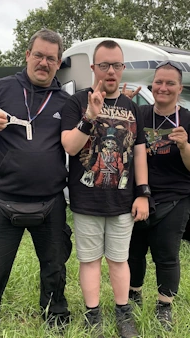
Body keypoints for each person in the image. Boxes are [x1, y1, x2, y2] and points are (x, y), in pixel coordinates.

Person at [0, 28, 73, 335]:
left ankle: (55, 317)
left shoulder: (65, 101)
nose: (43, 63)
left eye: (51, 58)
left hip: (50, 201)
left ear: (58, 62)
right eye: (38, 55)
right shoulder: (1, 88)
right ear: (27, 56)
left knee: (55, 267)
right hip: (5, 200)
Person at [61, 40, 150, 338]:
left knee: (118, 258)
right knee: (89, 260)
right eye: (104, 65)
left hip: (123, 200)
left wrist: (142, 193)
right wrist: (90, 115)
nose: (110, 71)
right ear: (93, 68)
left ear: (123, 68)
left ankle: (123, 313)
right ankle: (93, 315)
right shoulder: (74, 102)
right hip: (87, 198)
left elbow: (138, 154)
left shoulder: (131, 108)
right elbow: (70, 147)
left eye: (116, 65)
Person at [126, 60, 190, 332]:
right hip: (137, 195)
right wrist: (121, 109)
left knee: (166, 254)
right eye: (159, 82)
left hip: (175, 198)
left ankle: (164, 305)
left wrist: (185, 145)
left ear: (180, 88)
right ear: (152, 85)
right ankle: (133, 294)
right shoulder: (138, 114)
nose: (163, 87)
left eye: (170, 83)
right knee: (133, 252)